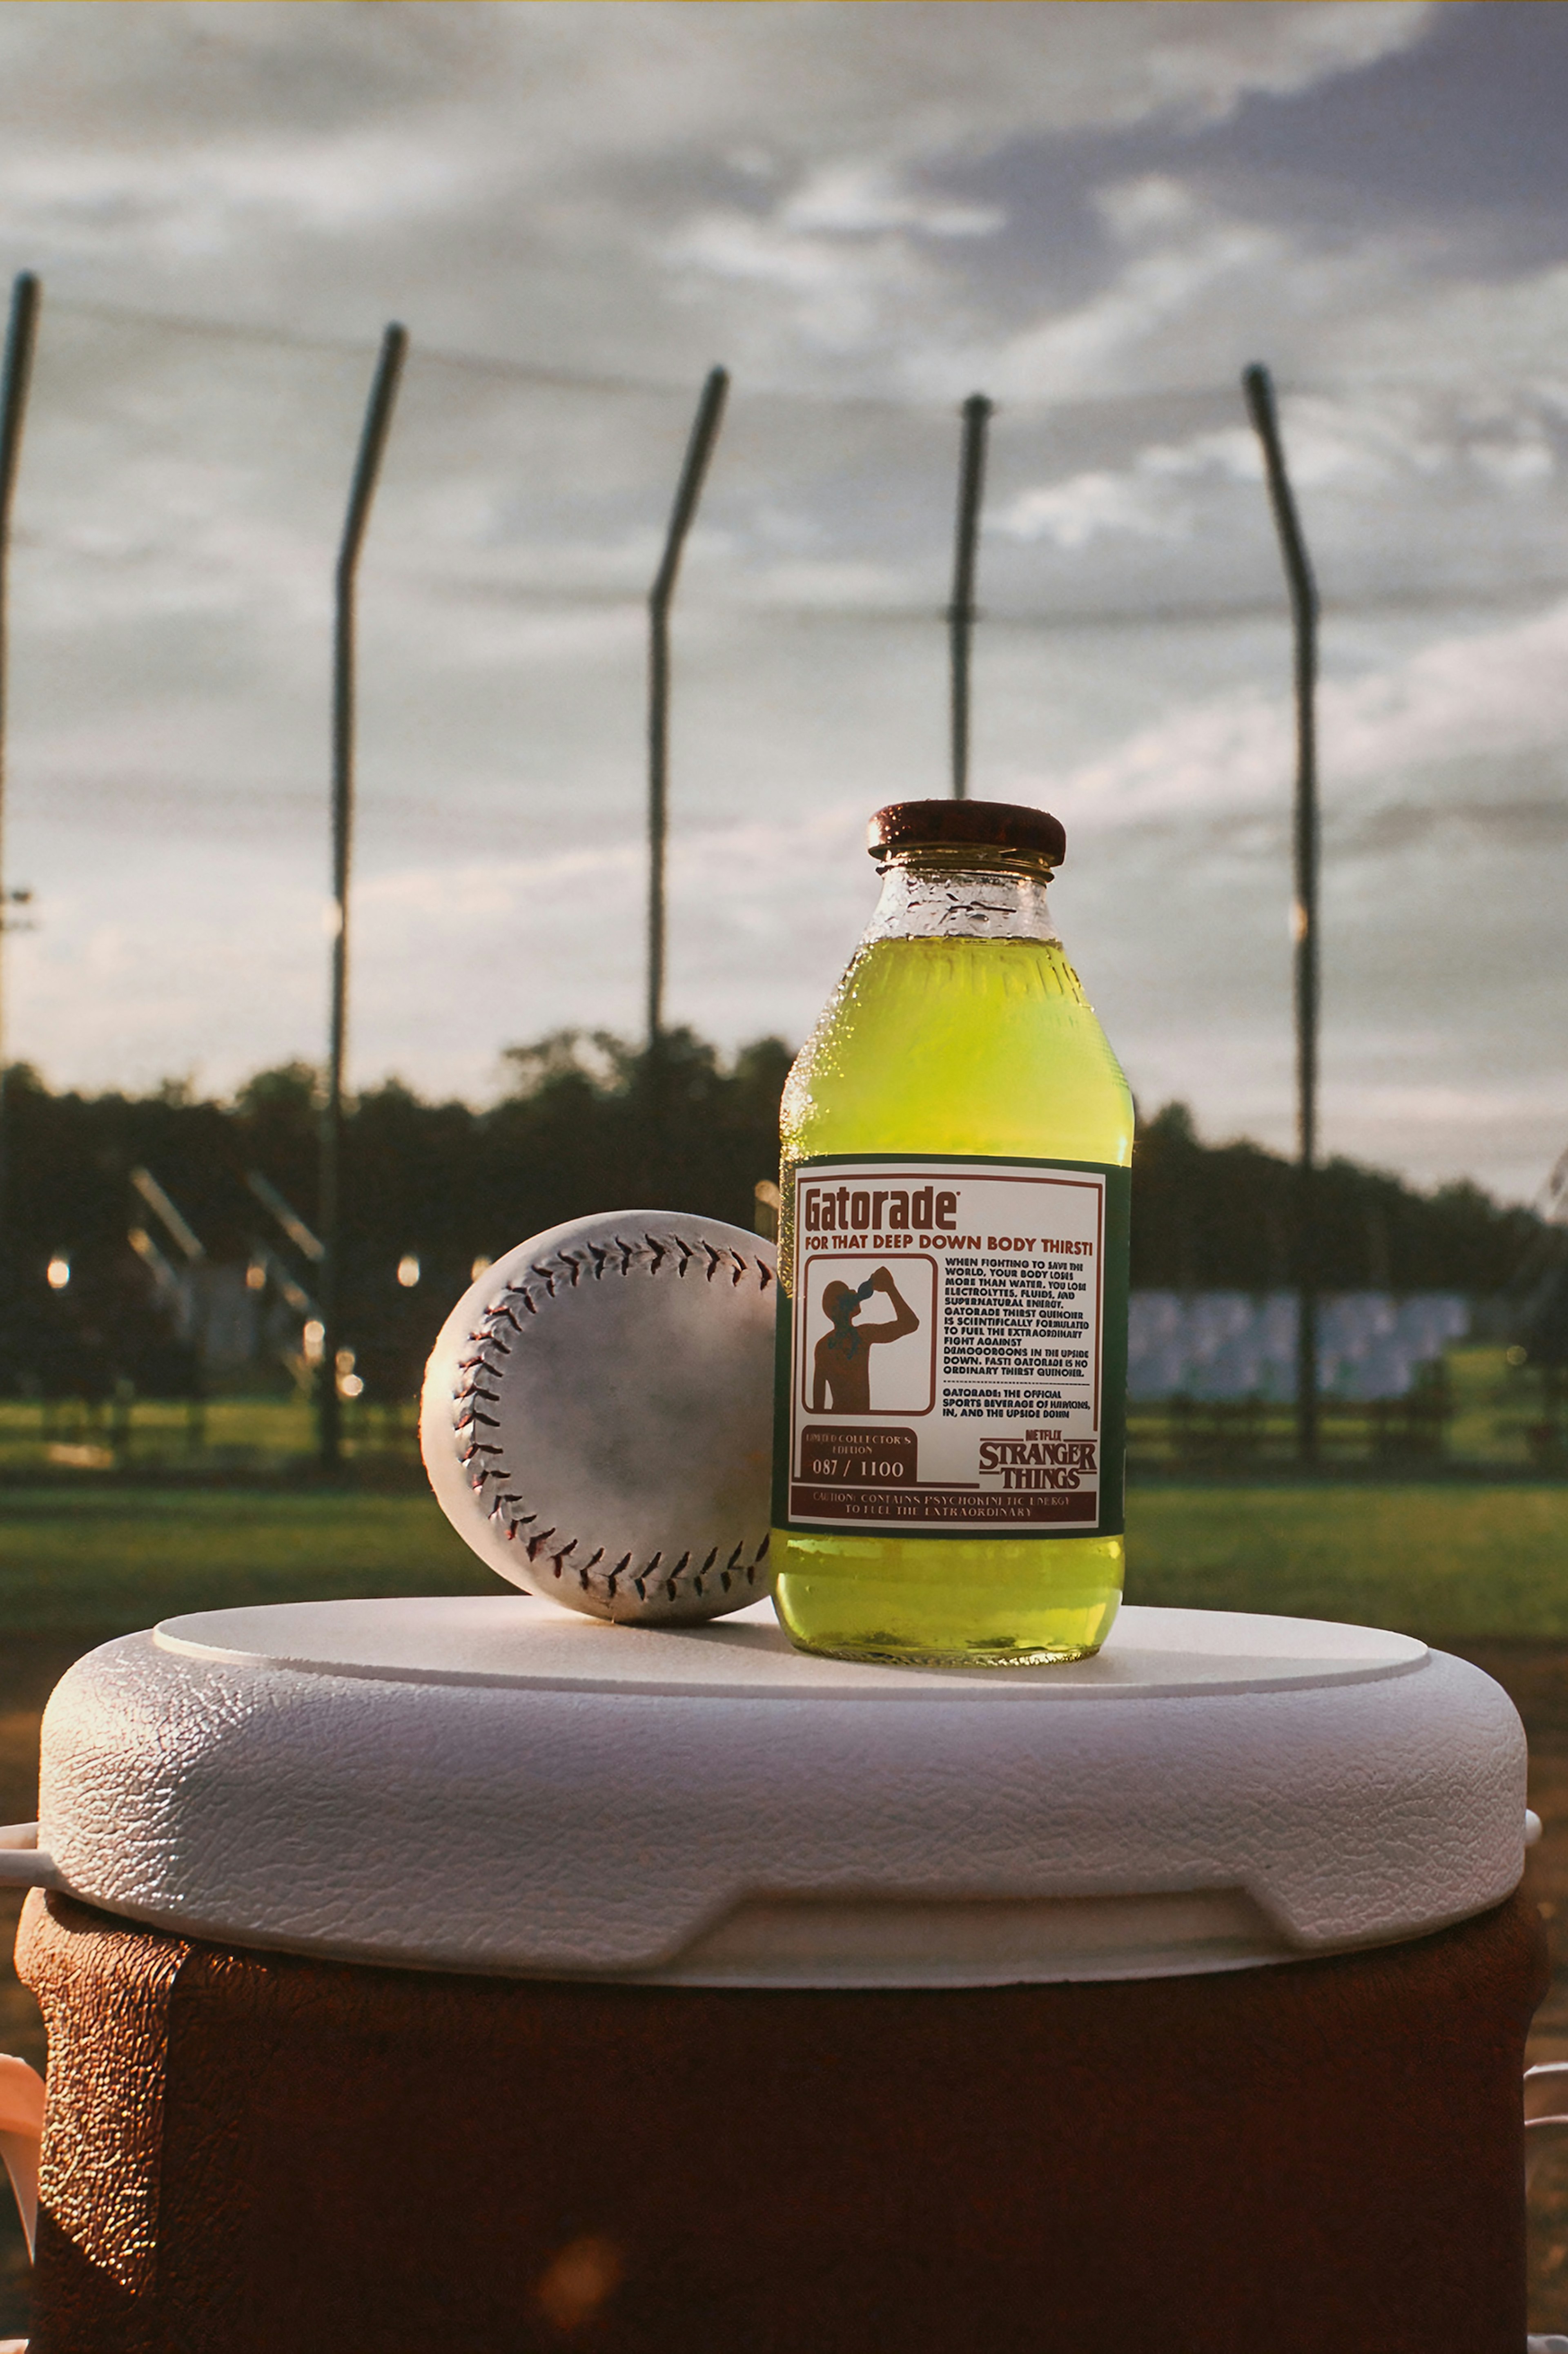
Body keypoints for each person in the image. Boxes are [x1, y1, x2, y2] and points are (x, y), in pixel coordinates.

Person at [811, 1266, 920, 1413]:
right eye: (847, 1292)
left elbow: (911, 1324)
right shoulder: (861, 1335)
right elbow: (910, 1323)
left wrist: (890, 1288)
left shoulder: (827, 1345)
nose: (854, 1292)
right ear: (839, 1307)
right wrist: (890, 1289)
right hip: (850, 1420)